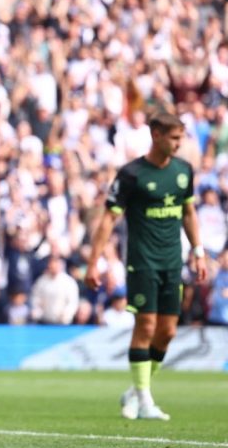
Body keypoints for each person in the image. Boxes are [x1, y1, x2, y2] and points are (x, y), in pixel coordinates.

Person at [85, 110, 207, 421]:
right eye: (175, 138)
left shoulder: (183, 171)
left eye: (181, 137)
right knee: (146, 326)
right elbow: (109, 218)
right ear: (156, 135)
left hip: (172, 262)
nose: (180, 144)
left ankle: (136, 391)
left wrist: (198, 250)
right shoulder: (131, 174)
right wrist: (94, 261)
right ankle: (145, 402)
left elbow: (189, 214)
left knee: (166, 332)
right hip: (142, 262)